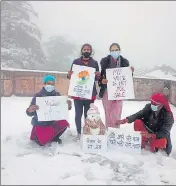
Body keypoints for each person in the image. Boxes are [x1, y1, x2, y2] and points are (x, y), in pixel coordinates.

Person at [26, 75, 72, 146]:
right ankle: (37, 136)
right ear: (44, 84)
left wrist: (68, 105)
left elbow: (62, 109)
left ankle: (55, 138)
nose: (50, 85)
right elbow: (29, 113)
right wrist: (30, 110)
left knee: (64, 123)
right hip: (40, 124)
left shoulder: (57, 95)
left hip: (52, 123)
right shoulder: (38, 96)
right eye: (48, 83)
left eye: (52, 84)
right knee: (41, 143)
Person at [67, 43, 100, 141]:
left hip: (89, 94)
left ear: (91, 51)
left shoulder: (94, 63)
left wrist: (98, 75)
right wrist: (69, 74)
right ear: (82, 51)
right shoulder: (76, 62)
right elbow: (71, 75)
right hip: (78, 93)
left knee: (88, 114)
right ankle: (78, 133)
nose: (86, 51)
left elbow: (97, 78)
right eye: (84, 49)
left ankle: (87, 131)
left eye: (88, 49)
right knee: (78, 114)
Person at [98, 43, 133, 128]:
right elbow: (101, 77)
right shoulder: (105, 62)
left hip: (119, 91)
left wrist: (130, 72)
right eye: (112, 50)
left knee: (116, 112)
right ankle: (108, 130)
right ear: (110, 52)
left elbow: (127, 78)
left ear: (119, 50)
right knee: (108, 112)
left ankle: (116, 131)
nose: (114, 52)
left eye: (116, 50)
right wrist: (102, 81)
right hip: (106, 91)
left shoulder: (124, 63)